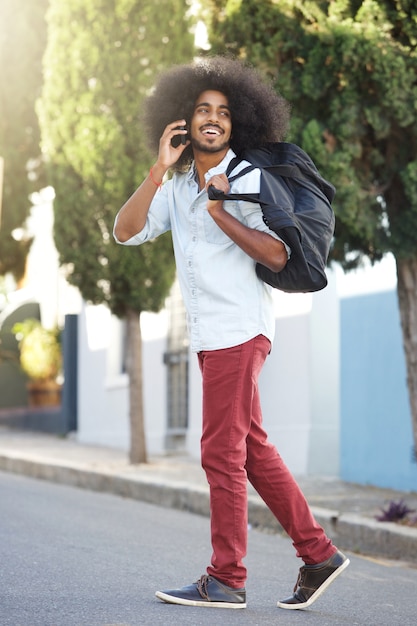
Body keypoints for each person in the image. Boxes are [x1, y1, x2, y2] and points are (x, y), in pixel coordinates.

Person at [113, 56, 349, 610]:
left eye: (222, 111)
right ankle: (318, 555)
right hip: (209, 335)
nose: (212, 118)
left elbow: (278, 253)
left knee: (219, 452)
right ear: (183, 123)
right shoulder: (174, 187)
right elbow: (125, 232)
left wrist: (222, 211)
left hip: (239, 331)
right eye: (202, 110)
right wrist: (156, 170)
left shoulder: (246, 178)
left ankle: (227, 577)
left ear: (236, 122)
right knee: (251, 449)